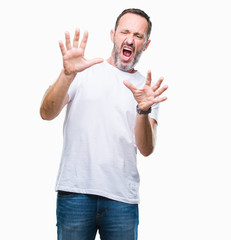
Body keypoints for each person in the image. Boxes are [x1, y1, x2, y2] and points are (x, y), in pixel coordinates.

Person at [40, 8, 167, 240]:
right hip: (75, 193)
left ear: (146, 44)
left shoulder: (147, 90)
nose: (130, 39)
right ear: (113, 34)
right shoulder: (83, 71)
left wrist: (143, 108)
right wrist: (67, 74)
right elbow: (46, 113)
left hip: (122, 200)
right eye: (125, 32)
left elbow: (147, 149)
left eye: (138, 36)